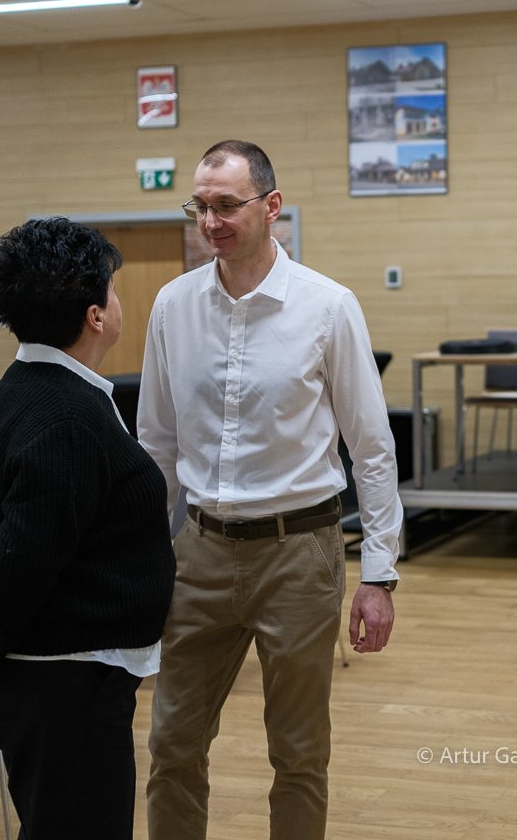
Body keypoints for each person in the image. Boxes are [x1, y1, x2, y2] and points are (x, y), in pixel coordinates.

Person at [140, 140, 402, 840]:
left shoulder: (328, 306)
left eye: (227, 205)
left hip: (300, 553)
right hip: (199, 551)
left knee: (298, 752)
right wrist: (140, 554)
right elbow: (157, 446)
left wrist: (379, 574)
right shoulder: (172, 306)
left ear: (272, 206)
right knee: (172, 745)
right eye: (200, 206)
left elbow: (372, 450)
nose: (211, 221)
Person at [0, 217, 175, 840]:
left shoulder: (24, 392)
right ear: (95, 315)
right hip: (63, 681)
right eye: (112, 289)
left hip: (60, 676)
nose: (118, 302)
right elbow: (20, 560)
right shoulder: (65, 415)